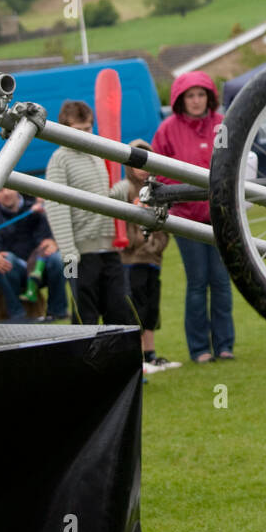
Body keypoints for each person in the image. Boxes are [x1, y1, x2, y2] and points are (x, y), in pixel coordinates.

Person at [151, 72, 236, 363]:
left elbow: (236, 160)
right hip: (186, 219)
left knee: (222, 283)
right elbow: (159, 171)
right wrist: (185, 191)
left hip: (222, 218)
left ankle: (225, 346)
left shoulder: (222, 125)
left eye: (201, 94)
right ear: (179, 99)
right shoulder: (166, 130)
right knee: (198, 283)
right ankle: (199, 349)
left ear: (209, 97)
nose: (197, 101)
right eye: (190, 95)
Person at [44, 100, 134, 326]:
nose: (84, 135)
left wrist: (122, 189)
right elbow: (56, 206)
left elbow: (104, 200)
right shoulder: (59, 160)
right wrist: (69, 252)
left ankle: (116, 361)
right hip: (81, 254)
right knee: (86, 318)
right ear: (65, 127)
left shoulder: (97, 154)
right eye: (78, 130)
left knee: (119, 313)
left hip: (109, 248)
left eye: (88, 129)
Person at [108, 139, 178, 373]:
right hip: (131, 261)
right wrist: (135, 242)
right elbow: (117, 218)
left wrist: (156, 244)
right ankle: (136, 356)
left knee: (151, 309)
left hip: (153, 260)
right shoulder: (124, 189)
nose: (141, 168)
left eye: (145, 162)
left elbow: (164, 223)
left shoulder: (157, 190)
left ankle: (151, 354)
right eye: (137, 162)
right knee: (134, 309)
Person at [0, 186, 67, 322]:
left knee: (57, 259)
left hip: (39, 267)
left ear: (17, 188)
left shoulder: (37, 209)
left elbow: (51, 234)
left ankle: (57, 312)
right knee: (5, 259)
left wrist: (52, 241)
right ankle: (17, 315)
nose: (5, 193)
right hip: (14, 270)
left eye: (8, 188)